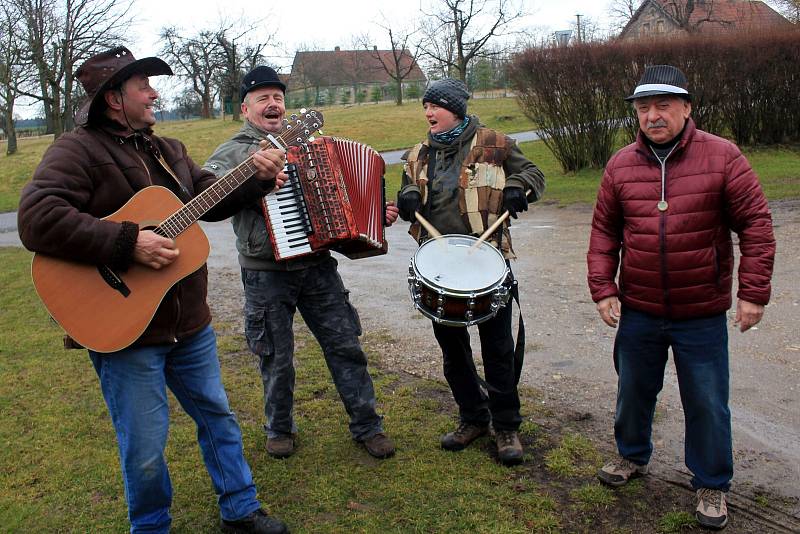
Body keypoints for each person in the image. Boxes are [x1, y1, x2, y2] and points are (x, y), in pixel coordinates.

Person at [17, 47, 289, 534]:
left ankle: (240, 511)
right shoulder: (75, 150)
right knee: (144, 445)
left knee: (218, 417)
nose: (155, 93)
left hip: (188, 320)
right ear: (115, 99)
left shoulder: (169, 150)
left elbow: (211, 199)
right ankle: (150, 527)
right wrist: (126, 242)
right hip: (124, 329)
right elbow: (38, 218)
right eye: (144, 86)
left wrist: (256, 179)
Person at [587, 65, 775, 530]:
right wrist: (603, 288)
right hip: (641, 311)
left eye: (663, 106)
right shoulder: (620, 165)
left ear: (686, 108)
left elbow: (756, 226)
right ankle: (632, 456)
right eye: (644, 107)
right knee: (632, 391)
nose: (653, 116)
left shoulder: (723, 156)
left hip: (701, 313)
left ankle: (711, 483)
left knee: (707, 401)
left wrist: (752, 294)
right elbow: (604, 232)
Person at [203, 66, 398, 460]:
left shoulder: (308, 144)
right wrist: (252, 182)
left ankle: (367, 425)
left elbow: (343, 195)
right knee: (276, 357)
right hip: (265, 271)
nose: (272, 104)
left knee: (345, 345)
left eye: (278, 97)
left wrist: (374, 213)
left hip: (317, 265)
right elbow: (208, 200)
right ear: (245, 108)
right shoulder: (233, 152)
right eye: (263, 98)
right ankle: (280, 428)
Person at [395, 78, 545, 466]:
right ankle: (472, 417)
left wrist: (517, 185)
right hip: (441, 268)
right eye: (425, 106)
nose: (428, 113)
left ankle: (506, 425)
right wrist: (407, 194)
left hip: (488, 262)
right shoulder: (418, 154)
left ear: (456, 108)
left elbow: (534, 176)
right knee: (453, 352)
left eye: (436, 106)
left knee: (497, 349)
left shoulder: (495, 144)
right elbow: (407, 189)